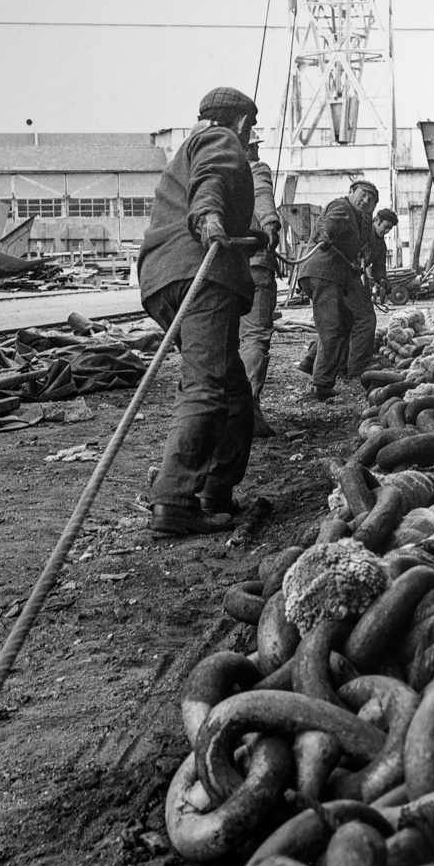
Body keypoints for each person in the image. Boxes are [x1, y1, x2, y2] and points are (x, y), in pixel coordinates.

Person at [137, 86, 258, 536]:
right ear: (242, 122)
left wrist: (248, 235)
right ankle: (174, 503)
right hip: (199, 276)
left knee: (232, 389)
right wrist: (208, 218)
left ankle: (216, 492)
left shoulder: (184, 150)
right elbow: (211, 180)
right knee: (207, 387)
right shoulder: (220, 139)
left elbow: (203, 186)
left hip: (165, 279)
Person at [296, 180, 380, 399]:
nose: (366, 200)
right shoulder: (342, 207)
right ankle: (324, 385)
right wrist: (324, 235)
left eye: (371, 200)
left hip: (340, 274)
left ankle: (316, 368)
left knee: (346, 323)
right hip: (324, 273)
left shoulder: (362, 218)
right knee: (332, 327)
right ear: (351, 192)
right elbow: (327, 224)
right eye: (363, 195)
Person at [297, 203, 397, 383]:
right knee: (365, 320)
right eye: (385, 226)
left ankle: (313, 362)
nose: (386, 231)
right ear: (376, 220)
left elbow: (378, 270)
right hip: (339, 277)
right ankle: (357, 368)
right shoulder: (360, 231)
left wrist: (383, 281)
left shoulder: (380, 245)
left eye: (389, 229)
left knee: (343, 322)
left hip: (349, 280)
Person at [239, 130, 282, 438]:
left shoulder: (209, 171)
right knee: (255, 337)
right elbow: (262, 195)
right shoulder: (255, 169)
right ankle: (247, 411)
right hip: (254, 264)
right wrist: (271, 225)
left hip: (216, 268)